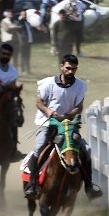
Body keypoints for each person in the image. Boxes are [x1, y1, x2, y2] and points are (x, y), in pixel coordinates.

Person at [24, 54, 103, 200]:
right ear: (61, 66)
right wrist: (49, 112)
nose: (70, 71)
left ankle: (89, 186)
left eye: (73, 69)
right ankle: (32, 185)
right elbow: (39, 102)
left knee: (85, 150)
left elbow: (79, 107)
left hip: (69, 125)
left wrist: (68, 115)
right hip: (47, 124)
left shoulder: (80, 85)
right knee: (39, 150)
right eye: (68, 68)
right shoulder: (47, 84)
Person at [16, 10, 34, 74]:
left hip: (28, 42)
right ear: (20, 15)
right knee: (23, 57)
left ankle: (28, 70)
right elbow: (18, 30)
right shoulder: (20, 22)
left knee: (28, 56)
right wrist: (20, 20)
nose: (25, 16)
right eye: (23, 14)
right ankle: (23, 70)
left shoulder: (27, 23)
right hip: (23, 42)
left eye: (25, 14)